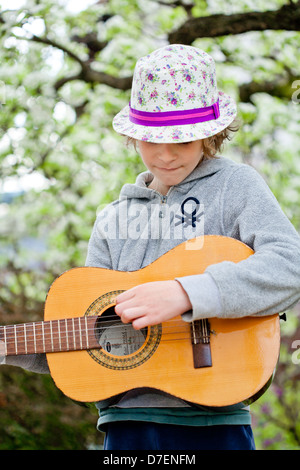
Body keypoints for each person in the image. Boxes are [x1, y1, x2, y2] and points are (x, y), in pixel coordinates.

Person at [2, 44, 300, 450]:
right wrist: (11, 349)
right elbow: (89, 337)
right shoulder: (112, 218)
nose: (164, 155)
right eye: (151, 139)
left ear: (211, 134)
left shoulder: (236, 187)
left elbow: (291, 266)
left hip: (217, 420)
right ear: (132, 134)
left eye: (181, 141)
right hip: (128, 427)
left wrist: (186, 294)